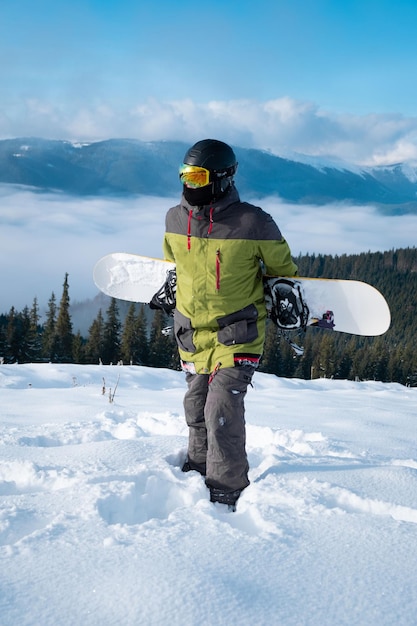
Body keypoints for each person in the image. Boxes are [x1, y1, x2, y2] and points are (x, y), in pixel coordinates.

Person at [162, 139, 297, 509]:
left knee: (220, 407)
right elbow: (176, 265)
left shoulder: (253, 222)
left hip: (238, 332)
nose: (190, 184)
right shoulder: (175, 218)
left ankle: (225, 489)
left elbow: (283, 272)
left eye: (199, 176)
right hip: (191, 332)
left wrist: (286, 300)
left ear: (221, 177)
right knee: (196, 404)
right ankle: (197, 469)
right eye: (185, 175)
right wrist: (170, 288)